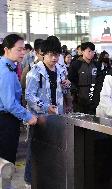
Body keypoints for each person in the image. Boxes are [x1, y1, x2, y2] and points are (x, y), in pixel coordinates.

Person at [24, 38, 71, 186]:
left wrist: (67, 86)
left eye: (57, 55)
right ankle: (29, 180)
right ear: (43, 54)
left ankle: (50, 177)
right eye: (51, 55)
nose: (54, 58)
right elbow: (29, 96)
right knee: (35, 149)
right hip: (39, 118)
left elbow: (63, 91)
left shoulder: (61, 70)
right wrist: (45, 107)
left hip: (57, 116)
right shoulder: (35, 72)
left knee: (53, 148)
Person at [0, 34, 37, 164]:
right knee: (6, 161)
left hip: (6, 119)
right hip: (5, 121)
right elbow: (9, 104)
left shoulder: (7, 65)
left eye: (23, 49)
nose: (23, 52)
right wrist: (28, 117)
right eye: (19, 49)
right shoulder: (6, 71)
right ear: (6, 49)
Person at [68, 42, 102, 113]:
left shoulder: (97, 64)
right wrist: (75, 94)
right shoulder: (75, 64)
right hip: (80, 99)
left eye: (93, 51)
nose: (91, 53)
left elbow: (99, 80)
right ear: (83, 51)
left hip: (94, 98)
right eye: (89, 51)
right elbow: (71, 80)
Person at [21, 38, 44, 106]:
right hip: (34, 109)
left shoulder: (54, 68)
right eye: (42, 54)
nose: (45, 57)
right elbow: (23, 89)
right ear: (36, 53)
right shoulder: (29, 68)